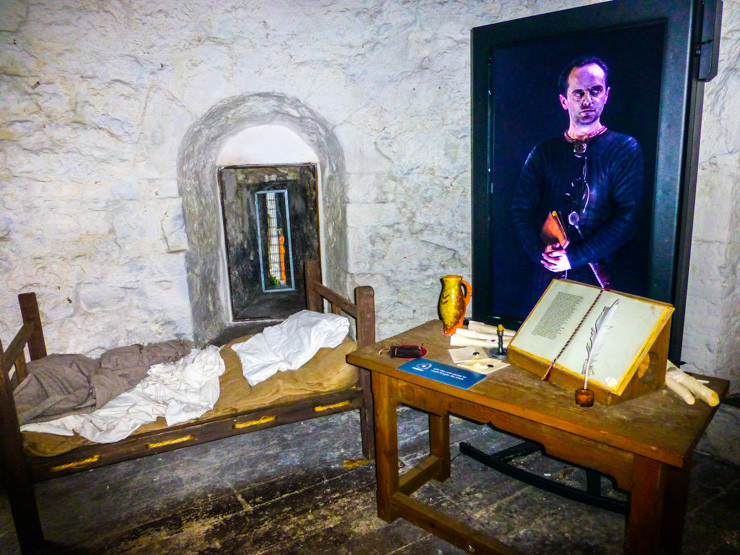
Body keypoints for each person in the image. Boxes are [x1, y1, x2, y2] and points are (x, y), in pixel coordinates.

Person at [510, 55, 643, 310]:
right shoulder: (544, 151)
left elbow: (628, 218)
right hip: (545, 277)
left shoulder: (625, 148)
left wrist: (574, 257)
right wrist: (540, 253)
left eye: (595, 91)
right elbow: (520, 209)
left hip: (598, 278)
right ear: (564, 100)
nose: (587, 99)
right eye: (578, 93)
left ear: (606, 95)